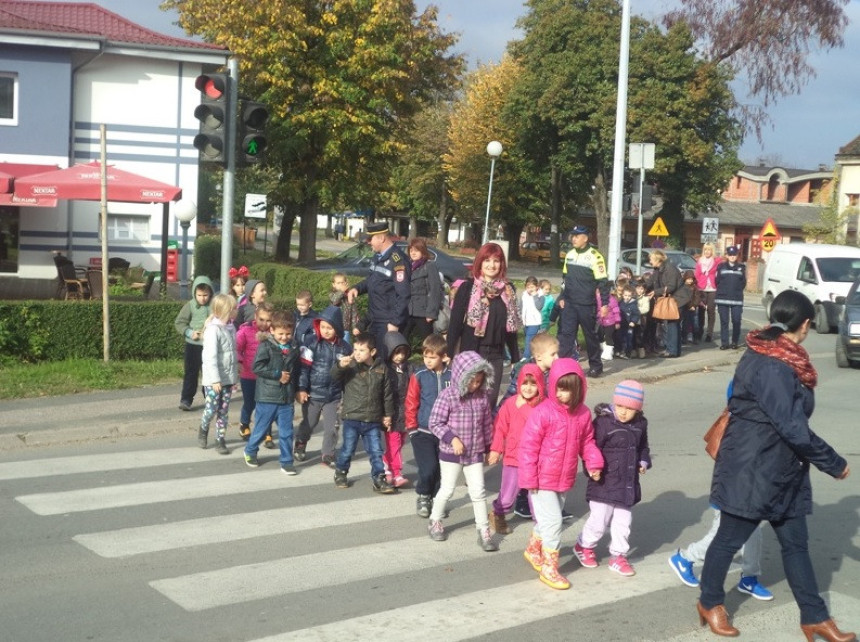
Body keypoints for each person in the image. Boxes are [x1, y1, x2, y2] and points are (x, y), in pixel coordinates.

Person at [696, 290, 853, 640]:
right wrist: (833, 462)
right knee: (728, 539)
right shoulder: (773, 363)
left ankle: (814, 617)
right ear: (806, 324)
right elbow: (791, 426)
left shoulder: (774, 352)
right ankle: (709, 602)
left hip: (783, 469)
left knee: (796, 545)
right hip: (754, 468)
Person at [519, 358, 604, 590]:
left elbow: (587, 442)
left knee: (548, 520)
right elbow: (528, 447)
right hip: (541, 479)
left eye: (566, 390)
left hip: (564, 478)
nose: (560, 394)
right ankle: (550, 568)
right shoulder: (543, 412)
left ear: (579, 389)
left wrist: (593, 462)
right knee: (554, 522)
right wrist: (529, 478)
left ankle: (533, 549)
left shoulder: (583, 414)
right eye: (557, 388)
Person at [574, 380, 650, 577]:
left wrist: (643, 461)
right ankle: (584, 545)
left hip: (627, 485)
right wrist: (592, 468)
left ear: (638, 409)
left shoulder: (640, 424)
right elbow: (590, 447)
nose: (623, 412)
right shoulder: (603, 423)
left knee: (623, 523)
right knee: (599, 521)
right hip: (603, 482)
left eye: (629, 408)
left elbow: (643, 446)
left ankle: (618, 556)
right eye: (620, 406)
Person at [426, 350, 498, 552]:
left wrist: (489, 448)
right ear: (461, 376)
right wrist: (452, 439)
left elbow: (486, 425)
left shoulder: (482, 397)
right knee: (447, 489)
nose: (475, 385)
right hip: (451, 453)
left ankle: (483, 530)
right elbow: (435, 422)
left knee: (478, 492)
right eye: (471, 381)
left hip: (474, 453)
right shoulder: (448, 396)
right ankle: (435, 520)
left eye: (479, 381)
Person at [447, 242, 521, 404]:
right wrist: (449, 353)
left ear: (501, 264)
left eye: (496, 261)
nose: (491, 265)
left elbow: (511, 327)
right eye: (487, 260)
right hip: (472, 352)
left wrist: (515, 356)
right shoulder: (467, 288)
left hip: (496, 355)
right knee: (468, 401)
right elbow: (455, 323)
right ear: (480, 262)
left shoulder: (508, 290)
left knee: (489, 402)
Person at [331, 333, 397, 494]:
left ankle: (379, 478)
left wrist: (388, 415)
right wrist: (340, 365)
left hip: (372, 419)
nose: (357, 353)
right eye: (355, 349)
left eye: (362, 350)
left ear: (372, 352)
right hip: (352, 417)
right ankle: (341, 472)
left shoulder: (382, 369)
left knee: (376, 451)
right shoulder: (351, 366)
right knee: (348, 449)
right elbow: (333, 376)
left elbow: (387, 395)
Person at [487, 363, 546, 536]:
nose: (528, 388)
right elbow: (500, 428)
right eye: (524, 383)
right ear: (518, 383)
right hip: (513, 458)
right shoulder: (510, 404)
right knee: (507, 496)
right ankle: (497, 514)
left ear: (540, 385)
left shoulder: (544, 405)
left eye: (533, 384)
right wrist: (496, 449)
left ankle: (542, 529)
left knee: (536, 498)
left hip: (536, 460)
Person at [243, 311, 300, 475]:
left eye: (288, 334)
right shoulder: (266, 346)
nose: (284, 337)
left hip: (286, 398)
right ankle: (250, 450)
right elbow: (257, 367)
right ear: (272, 330)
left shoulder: (294, 347)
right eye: (281, 334)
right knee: (261, 429)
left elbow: (296, 371)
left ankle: (287, 461)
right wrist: (277, 374)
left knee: (287, 432)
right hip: (267, 396)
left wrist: (298, 390)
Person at [670, 509, 772, 598]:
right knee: (724, 534)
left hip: (752, 497)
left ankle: (749, 578)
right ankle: (686, 557)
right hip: (730, 497)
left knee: (752, 529)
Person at [295, 305, 352, 466]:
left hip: (333, 395)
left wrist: (346, 396)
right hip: (313, 393)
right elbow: (304, 369)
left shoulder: (345, 347)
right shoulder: (311, 343)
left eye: (329, 328)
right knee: (309, 423)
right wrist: (301, 389)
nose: (326, 331)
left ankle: (328, 453)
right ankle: (300, 443)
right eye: (323, 327)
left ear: (337, 328)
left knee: (332, 427)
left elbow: (348, 375)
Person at [347, 222, 411, 358]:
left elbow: (403, 294)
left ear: (381, 238)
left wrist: (395, 322)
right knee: (372, 359)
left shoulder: (398, 260)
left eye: (371, 238)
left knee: (385, 361)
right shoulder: (377, 257)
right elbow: (371, 280)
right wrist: (356, 288)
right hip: (374, 317)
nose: (368, 242)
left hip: (388, 321)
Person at [405, 333, 452, 517]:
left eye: (432, 357)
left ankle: (437, 499)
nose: (428, 361)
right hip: (422, 431)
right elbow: (411, 402)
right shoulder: (419, 375)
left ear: (444, 357)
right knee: (428, 467)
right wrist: (412, 428)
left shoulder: (453, 376)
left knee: (441, 470)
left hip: (445, 433)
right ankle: (423, 495)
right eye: (425, 356)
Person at [557, 225, 610, 378]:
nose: (573, 239)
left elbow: (603, 282)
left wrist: (604, 304)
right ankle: (564, 367)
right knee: (566, 336)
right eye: (572, 236)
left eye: (577, 236)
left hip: (586, 304)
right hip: (570, 303)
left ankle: (596, 366)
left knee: (590, 336)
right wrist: (561, 297)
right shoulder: (570, 254)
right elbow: (565, 279)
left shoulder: (595, 257)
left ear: (585, 238)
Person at [197, 293, 239, 455]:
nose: (236, 311)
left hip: (228, 378)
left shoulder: (231, 327)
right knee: (211, 408)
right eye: (234, 308)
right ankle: (203, 428)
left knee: (223, 410)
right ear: (225, 311)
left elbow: (232, 352)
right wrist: (215, 380)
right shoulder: (213, 330)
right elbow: (210, 357)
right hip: (213, 380)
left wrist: (236, 372)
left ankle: (220, 439)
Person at [235, 302, 274, 445]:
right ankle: (244, 423)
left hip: (266, 377)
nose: (264, 323)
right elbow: (236, 348)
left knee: (266, 405)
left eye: (268, 320)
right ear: (255, 317)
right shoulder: (246, 331)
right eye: (261, 319)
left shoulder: (273, 333)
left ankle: (267, 432)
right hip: (248, 375)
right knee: (249, 403)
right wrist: (239, 362)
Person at [174, 275, 214, 411]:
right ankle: (186, 399)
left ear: (210, 293)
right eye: (199, 295)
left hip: (209, 346)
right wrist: (189, 332)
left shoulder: (214, 306)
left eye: (205, 295)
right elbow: (179, 322)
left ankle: (210, 398)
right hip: (193, 345)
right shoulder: (190, 305)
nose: (202, 298)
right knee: (191, 373)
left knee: (209, 374)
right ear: (194, 294)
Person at [383, 331, 413, 488]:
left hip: (405, 412)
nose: (400, 356)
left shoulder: (409, 368)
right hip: (391, 413)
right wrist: (385, 414)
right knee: (393, 443)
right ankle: (396, 472)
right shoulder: (385, 369)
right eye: (396, 352)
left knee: (399, 442)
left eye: (403, 352)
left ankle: (386, 466)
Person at [405, 237, 443, 344]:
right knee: (402, 340)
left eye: (416, 250)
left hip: (423, 312)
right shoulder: (408, 266)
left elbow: (435, 290)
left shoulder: (429, 266)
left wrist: (431, 313)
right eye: (411, 250)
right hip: (408, 310)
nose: (413, 253)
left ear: (423, 251)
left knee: (427, 342)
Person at [648, 249, 682, 358]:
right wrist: (641, 287)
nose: (650, 262)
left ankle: (672, 351)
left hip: (678, 298)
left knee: (672, 323)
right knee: (673, 323)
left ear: (657, 260)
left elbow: (671, 287)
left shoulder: (670, 269)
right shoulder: (657, 269)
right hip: (672, 298)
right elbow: (650, 282)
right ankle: (675, 350)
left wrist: (656, 292)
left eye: (651, 259)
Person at [715, 246, 746, 350]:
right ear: (727, 256)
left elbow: (743, 283)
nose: (732, 256)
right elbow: (717, 281)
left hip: (736, 299)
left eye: (734, 255)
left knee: (736, 320)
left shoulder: (741, 267)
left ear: (737, 256)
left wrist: (736, 290)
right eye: (730, 255)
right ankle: (725, 343)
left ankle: (734, 342)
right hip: (722, 298)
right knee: (724, 321)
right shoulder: (721, 267)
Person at [695, 242, 721, 343]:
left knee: (711, 311)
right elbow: (697, 274)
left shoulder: (716, 261)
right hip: (701, 288)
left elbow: (719, 273)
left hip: (712, 288)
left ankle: (709, 334)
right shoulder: (699, 261)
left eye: (709, 249)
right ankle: (700, 331)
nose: (707, 251)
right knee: (701, 311)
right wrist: (697, 286)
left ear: (712, 251)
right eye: (705, 249)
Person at [329, 272, 359, 343]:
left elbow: (354, 313)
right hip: (334, 329)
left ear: (346, 283)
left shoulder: (349, 296)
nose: (341, 285)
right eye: (338, 283)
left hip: (345, 329)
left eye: (342, 283)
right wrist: (342, 292)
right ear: (334, 285)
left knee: (345, 346)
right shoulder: (332, 295)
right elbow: (334, 301)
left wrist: (355, 327)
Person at [520, 276, 544, 361]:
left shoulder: (540, 296)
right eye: (528, 287)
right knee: (531, 339)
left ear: (537, 287)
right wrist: (520, 317)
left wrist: (535, 296)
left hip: (534, 322)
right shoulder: (524, 295)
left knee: (529, 339)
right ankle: (534, 354)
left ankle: (526, 357)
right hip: (525, 322)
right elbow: (521, 306)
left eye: (532, 287)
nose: (530, 289)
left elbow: (539, 306)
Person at [617, 285, 641, 359]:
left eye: (629, 296)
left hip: (629, 325)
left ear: (632, 295)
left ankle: (627, 353)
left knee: (628, 339)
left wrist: (633, 321)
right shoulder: (620, 303)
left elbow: (636, 314)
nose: (627, 297)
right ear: (622, 295)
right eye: (625, 295)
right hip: (622, 324)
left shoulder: (633, 304)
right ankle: (621, 351)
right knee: (621, 338)